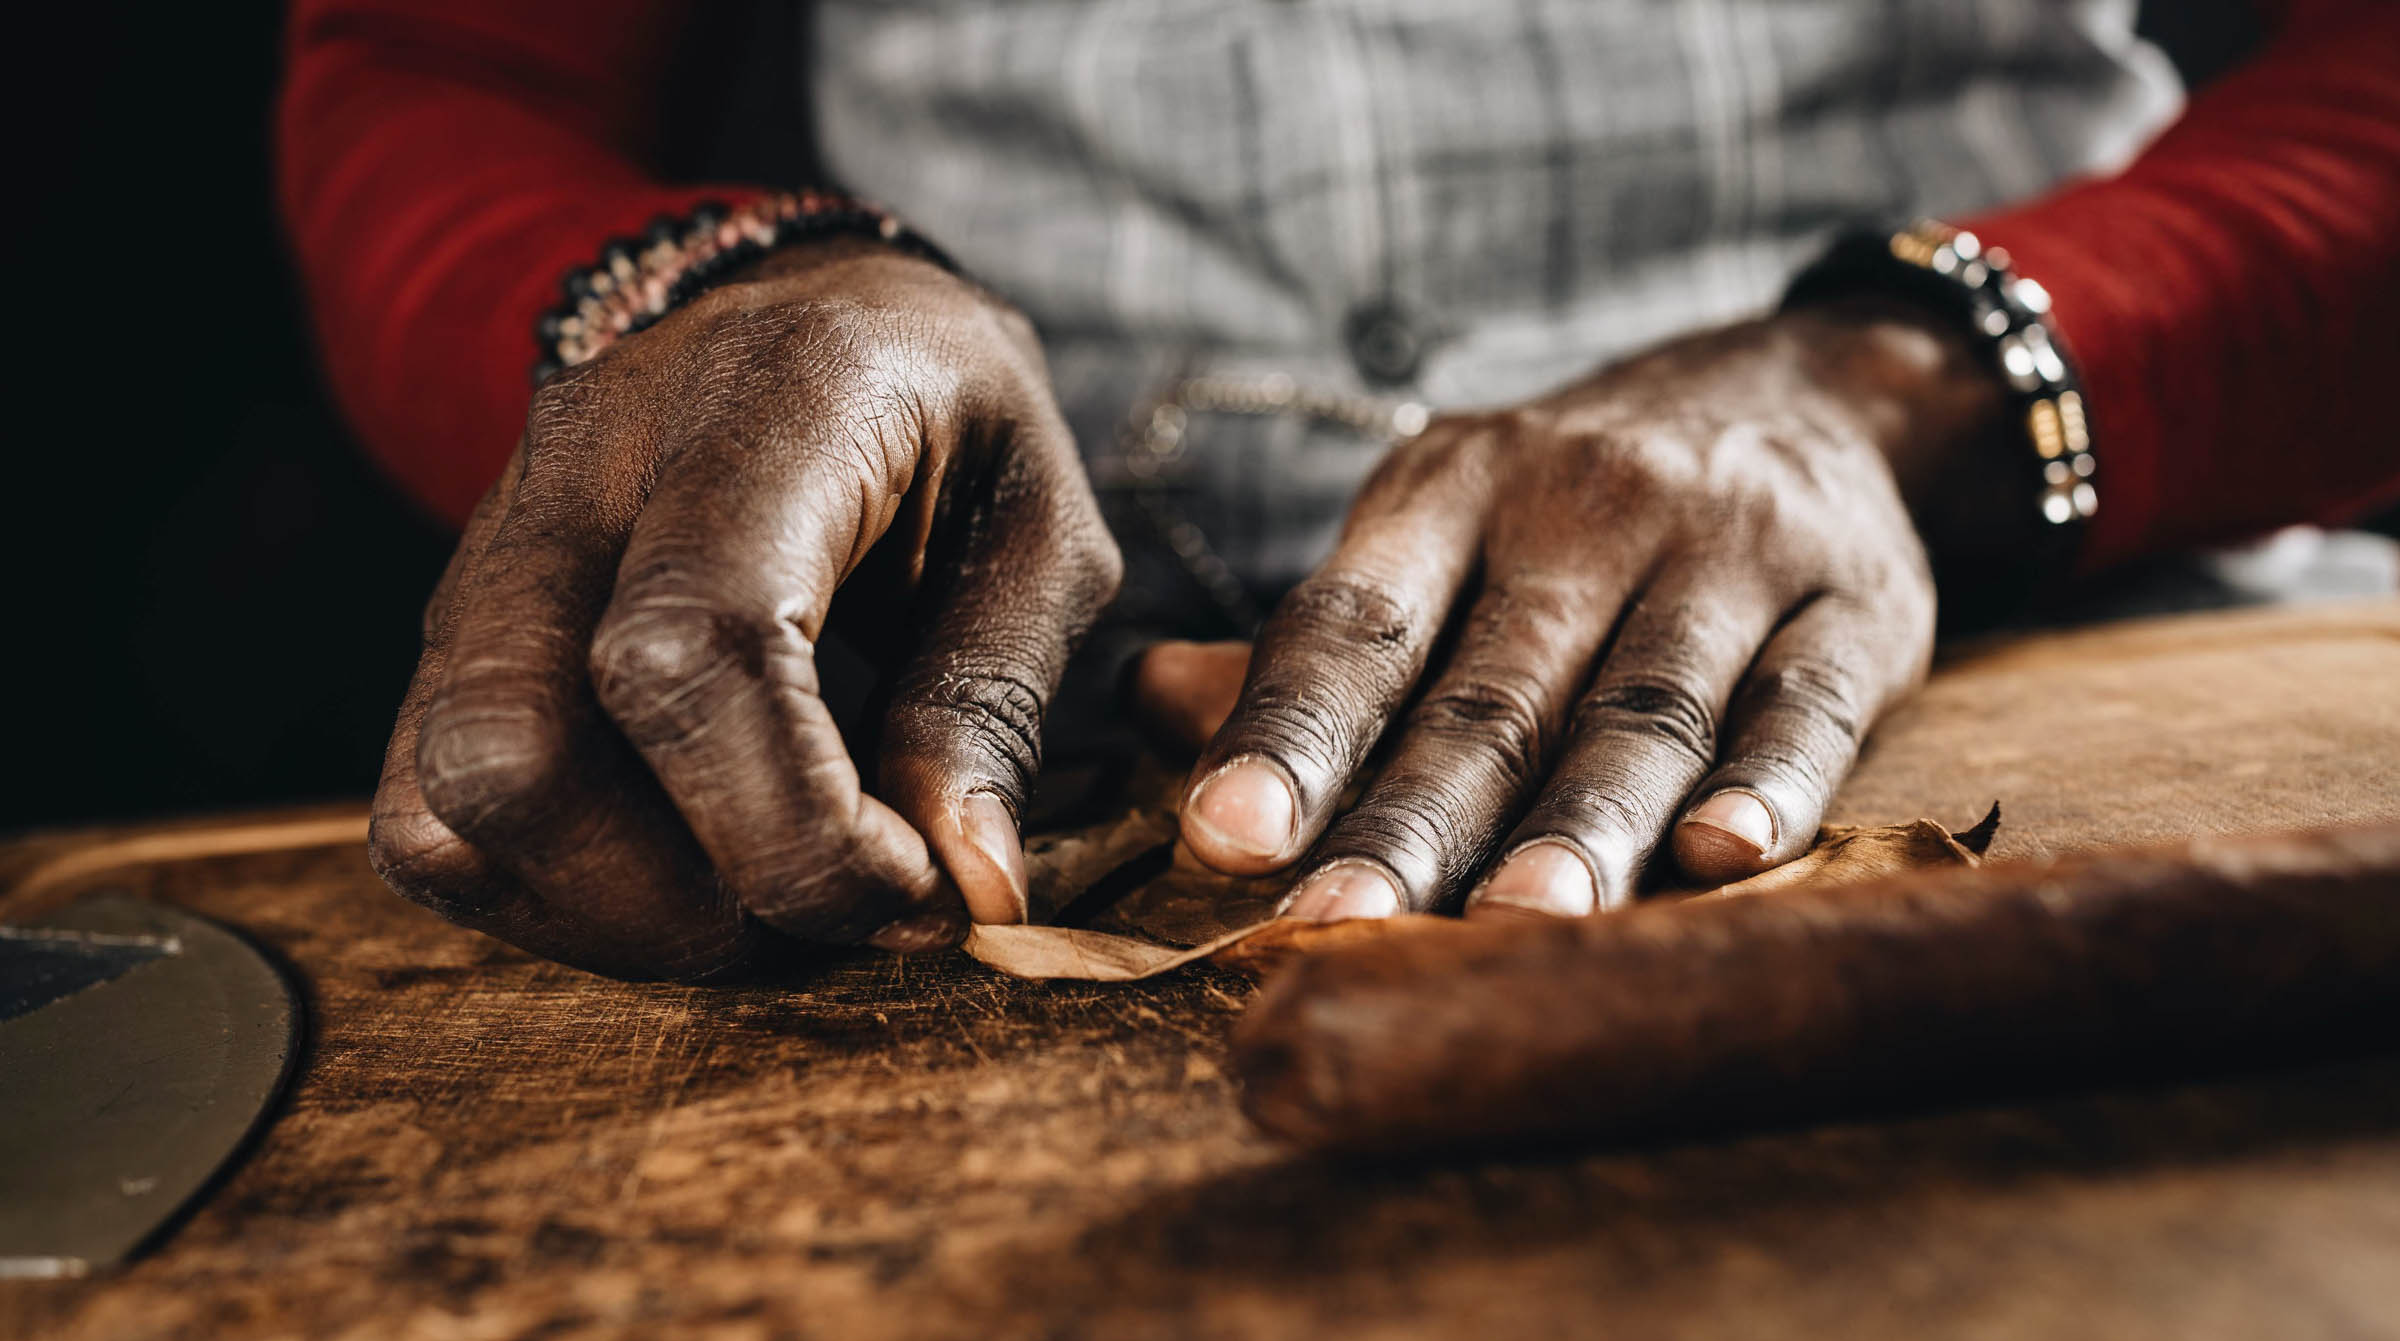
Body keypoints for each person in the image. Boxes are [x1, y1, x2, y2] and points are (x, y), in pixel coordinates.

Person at [280, 0, 2399, 980]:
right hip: (1000, 720)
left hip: (2052, 584)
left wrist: (1907, 381)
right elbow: (445, 69)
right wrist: (736, 301)